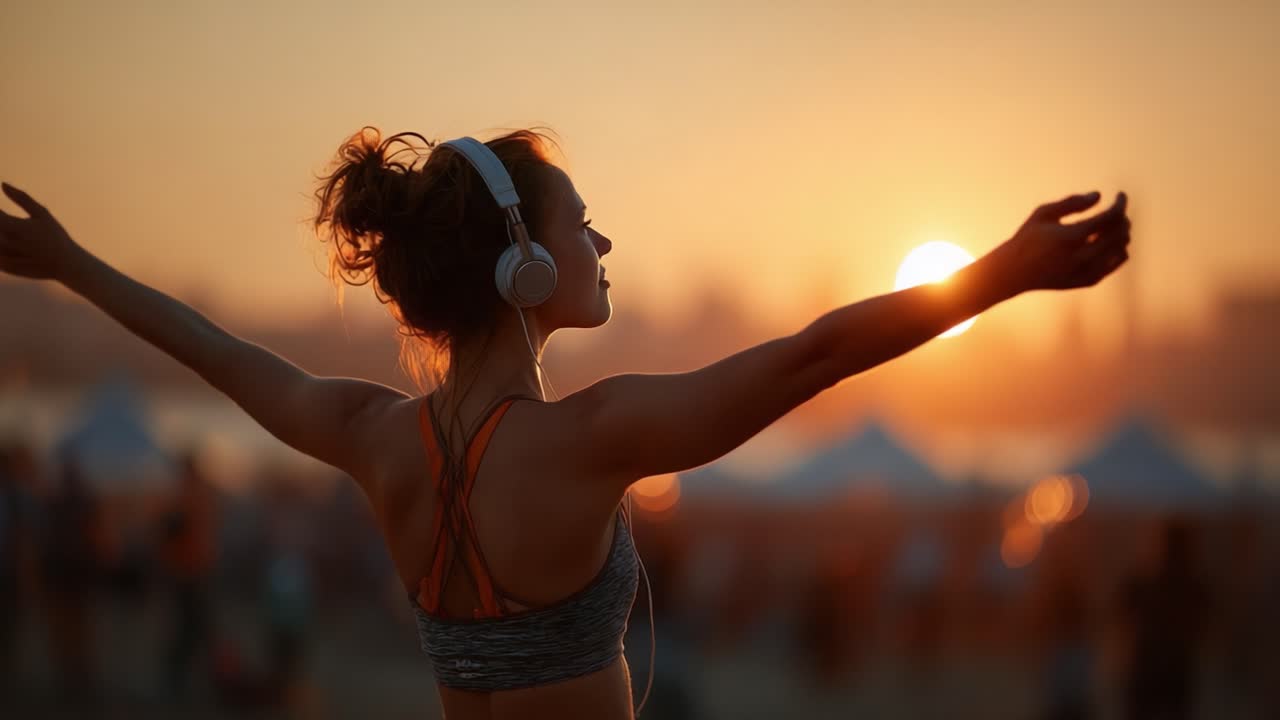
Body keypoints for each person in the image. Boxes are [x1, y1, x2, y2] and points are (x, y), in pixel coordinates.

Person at [0, 128, 1131, 719]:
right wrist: (997, 276)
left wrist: (68, 265)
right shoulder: (591, 440)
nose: (600, 248)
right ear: (523, 262)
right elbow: (816, 353)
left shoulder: (371, 437)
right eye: (581, 228)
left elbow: (208, 347)